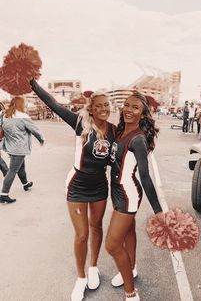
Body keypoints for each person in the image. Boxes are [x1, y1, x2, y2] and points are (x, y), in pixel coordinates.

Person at [30, 79, 116, 301]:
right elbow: (54, 105)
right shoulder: (80, 123)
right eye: (99, 106)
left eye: (107, 105)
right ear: (92, 108)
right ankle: (80, 278)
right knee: (81, 234)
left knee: (96, 227)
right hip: (77, 185)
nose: (104, 109)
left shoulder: (115, 130)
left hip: (99, 186)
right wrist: (33, 83)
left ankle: (94, 267)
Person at [105, 92, 162, 301]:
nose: (129, 110)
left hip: (127, 195)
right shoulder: (120, 131)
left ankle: (130, 294)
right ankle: (132, 268)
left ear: (143, 114)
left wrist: (159, 213)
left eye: (135, 107)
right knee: (128, 232)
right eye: (127, 105)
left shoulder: (137, 139)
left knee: (112, 245)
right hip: (117, 192)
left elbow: (146, 178)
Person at [0, 97, 44, 204]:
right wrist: (41, 139)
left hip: (11, 147)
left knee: (21, 167)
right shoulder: (22, 117)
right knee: (13, 170)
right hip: (19, 148)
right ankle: (3, 194)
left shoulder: (5, 116)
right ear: (20, 104)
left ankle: (25, 184)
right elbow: (35, 130)